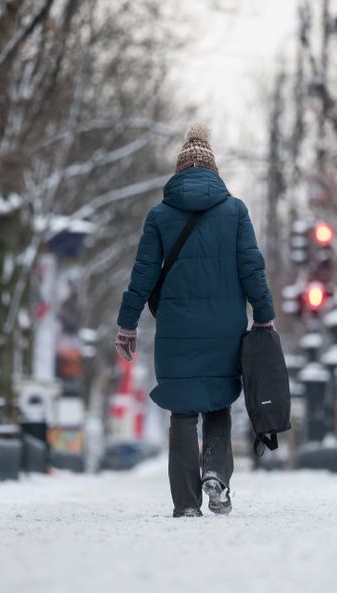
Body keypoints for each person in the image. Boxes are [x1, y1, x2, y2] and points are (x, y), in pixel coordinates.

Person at [114, 123, 275, 518]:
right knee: (218, 403)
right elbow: (251, 268)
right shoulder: (235, 211)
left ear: (178, 172)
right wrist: (265, 315)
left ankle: (186, 503)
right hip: (225, 329)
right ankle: (216, 474)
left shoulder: (159, 216)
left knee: (183, 411)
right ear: (214, 172)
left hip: (176, 330)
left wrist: (127, 323)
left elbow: (143, 274)